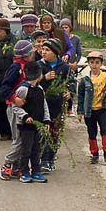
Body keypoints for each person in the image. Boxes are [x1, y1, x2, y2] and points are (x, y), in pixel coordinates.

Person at [77, 50, 106, 165]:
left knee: (105, 131)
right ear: (89, 64)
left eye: (97, 62)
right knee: (92, 133)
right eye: (92, 62)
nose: (94, 65)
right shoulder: (85, 80)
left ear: (101, 64)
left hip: (102, 109)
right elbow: (81, 96)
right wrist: (80, 111)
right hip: (89, 111)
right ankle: (94, 154)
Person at [0, 39, 36, 180]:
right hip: (15, 108)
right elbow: (4, 87)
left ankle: (16, 167)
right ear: (26, 54)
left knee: (24, 139)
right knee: (19, 139)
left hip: (25, 109)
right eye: (31, 51)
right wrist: (15, 98)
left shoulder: (28, 66)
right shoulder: (16, 67)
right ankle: (7, 165)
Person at [12, 61, 51, 183]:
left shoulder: (40, 89)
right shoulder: (23, 89)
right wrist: (24, 117)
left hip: (37, 124)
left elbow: (44, 105)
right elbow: (15, 107)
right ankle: (24, 171)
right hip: (26, 126)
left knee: (36, 149)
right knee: (26, 149)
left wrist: (46, 120)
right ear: (38, 75)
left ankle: (36, 171)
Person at [36, 39, 70, 173]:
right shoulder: (39, 66)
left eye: (47, 50)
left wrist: (68, 93)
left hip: (57, 106)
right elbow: (33, 84)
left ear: (55, 53)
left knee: (54, 133)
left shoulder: (63, 67)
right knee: (44, 132)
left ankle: (51, 158)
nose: (43, 52)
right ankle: (43, 160)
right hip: (42, 105)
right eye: (43, 49)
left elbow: (69, 83)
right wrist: (44, 78)